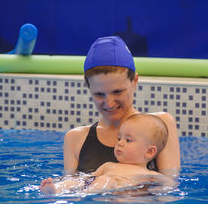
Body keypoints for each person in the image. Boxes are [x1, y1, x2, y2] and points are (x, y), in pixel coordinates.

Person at [64, 36, 180, 178]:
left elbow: (169, 188)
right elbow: (70, 190)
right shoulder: (75, 138)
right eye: (99, 94)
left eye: (117, 92)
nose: (109, 103)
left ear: (135, 81)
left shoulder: (159, 126)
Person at [40, 113, 175, 194]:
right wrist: (74, 183)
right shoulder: (108, 165)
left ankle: (83, 195)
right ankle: (56, 189)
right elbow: (88, 178)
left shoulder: (150, 175)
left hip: (121, 195)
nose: (120, 143)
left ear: (149, 152)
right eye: (119, 138)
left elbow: (169, 184)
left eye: (128, 140)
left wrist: (163, 189)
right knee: (76, 182)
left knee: (107, 181)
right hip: (99, 188)